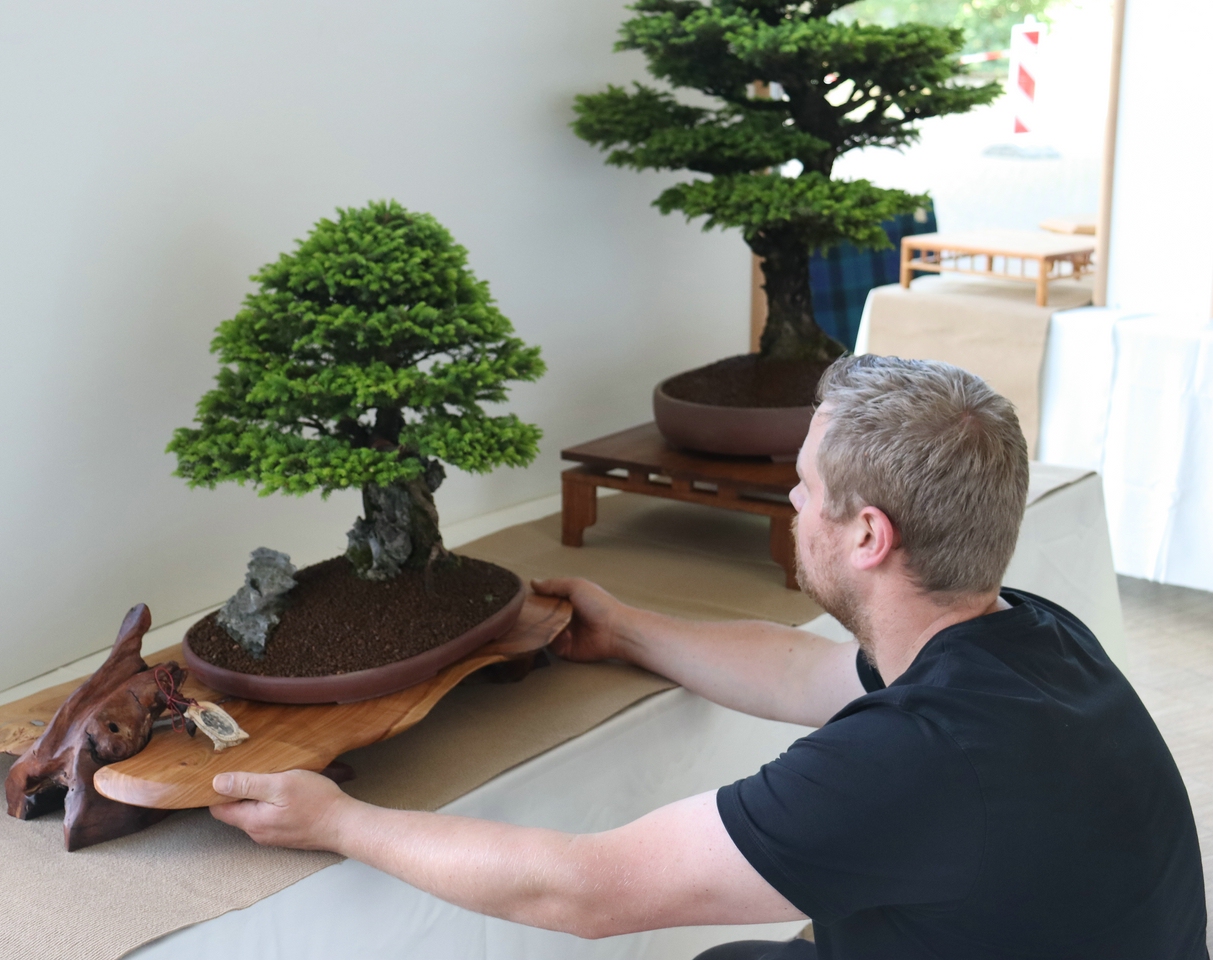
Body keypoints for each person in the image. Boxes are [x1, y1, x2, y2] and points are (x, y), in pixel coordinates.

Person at [210, 356, 1209, 959]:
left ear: (868, 535)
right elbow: (803, 671)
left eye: (805, 485)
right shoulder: (1030, 635)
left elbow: (583, 889)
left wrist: (340, 821)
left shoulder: (916, 760)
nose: (791, 500)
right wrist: (627, 627)